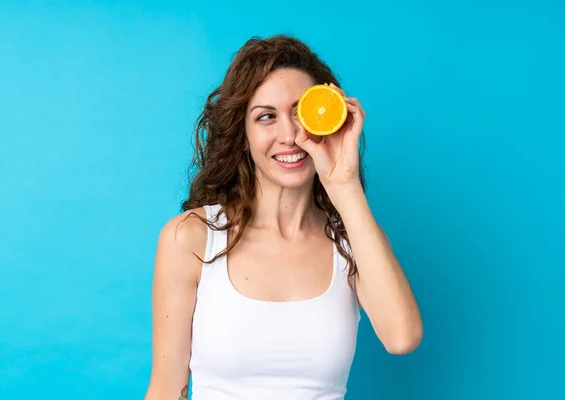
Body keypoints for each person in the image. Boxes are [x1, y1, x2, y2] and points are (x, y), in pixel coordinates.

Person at [144, 34, 423, 400]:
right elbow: (166, 389)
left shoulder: (353, 239)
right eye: (266, 117)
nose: (290, 135)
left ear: (325, 121)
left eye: (300, 113)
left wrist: (346, 187)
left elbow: (402, 338)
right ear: (241, 134)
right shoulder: (191, 237)